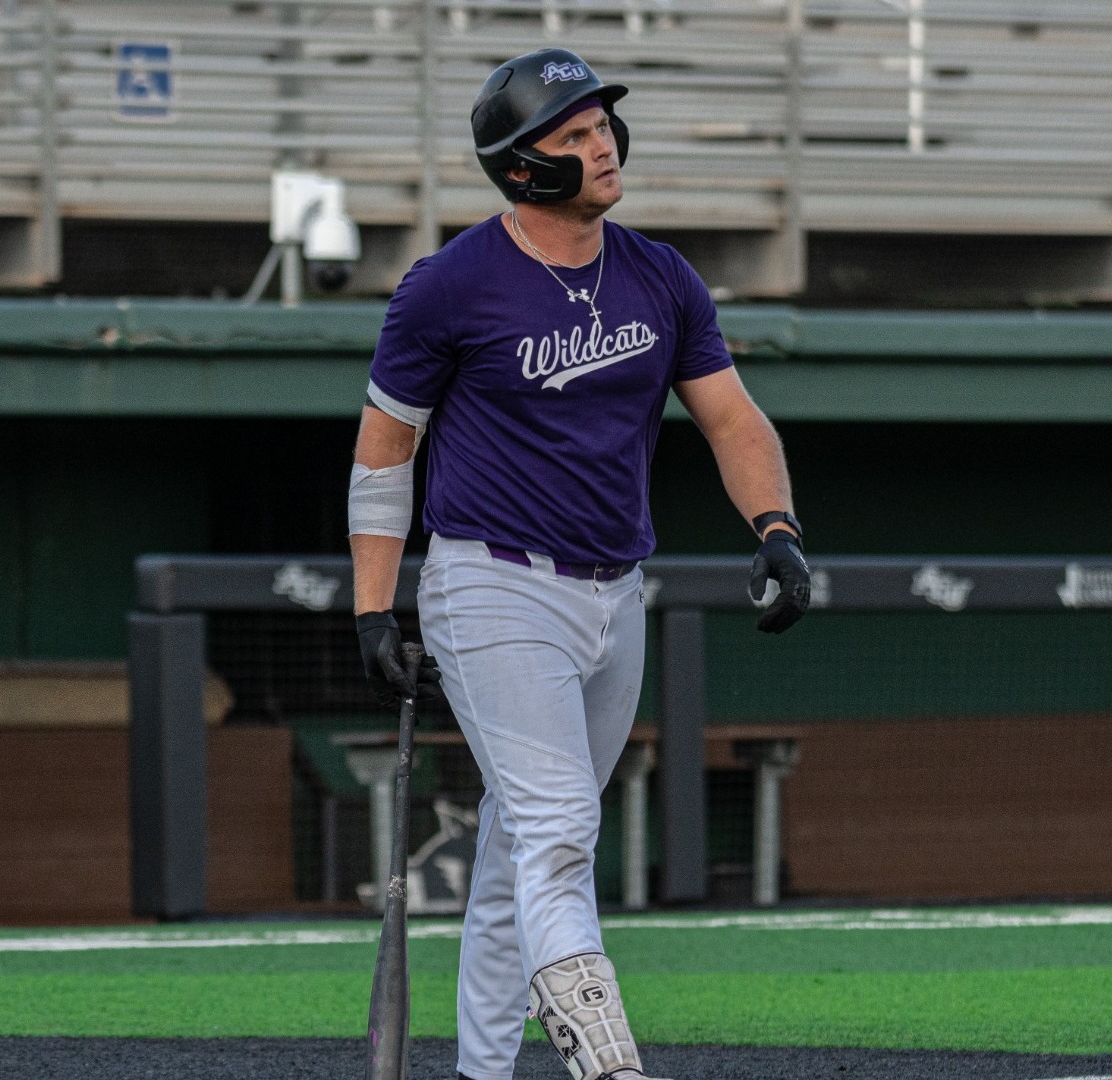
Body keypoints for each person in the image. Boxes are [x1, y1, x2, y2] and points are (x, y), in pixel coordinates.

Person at [346, 47, 810, 1080]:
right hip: (491, 583)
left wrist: (776, 527)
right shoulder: (449, 286)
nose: (601, 144)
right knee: (560, 831)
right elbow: (384, 454)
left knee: (522, 858)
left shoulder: (659, 274)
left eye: (602, 125)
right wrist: (374, 610)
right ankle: (608, 1066)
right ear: (522, 169)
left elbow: (733, 422)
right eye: (573, 134)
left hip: (615, 595)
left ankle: (481, 1074)